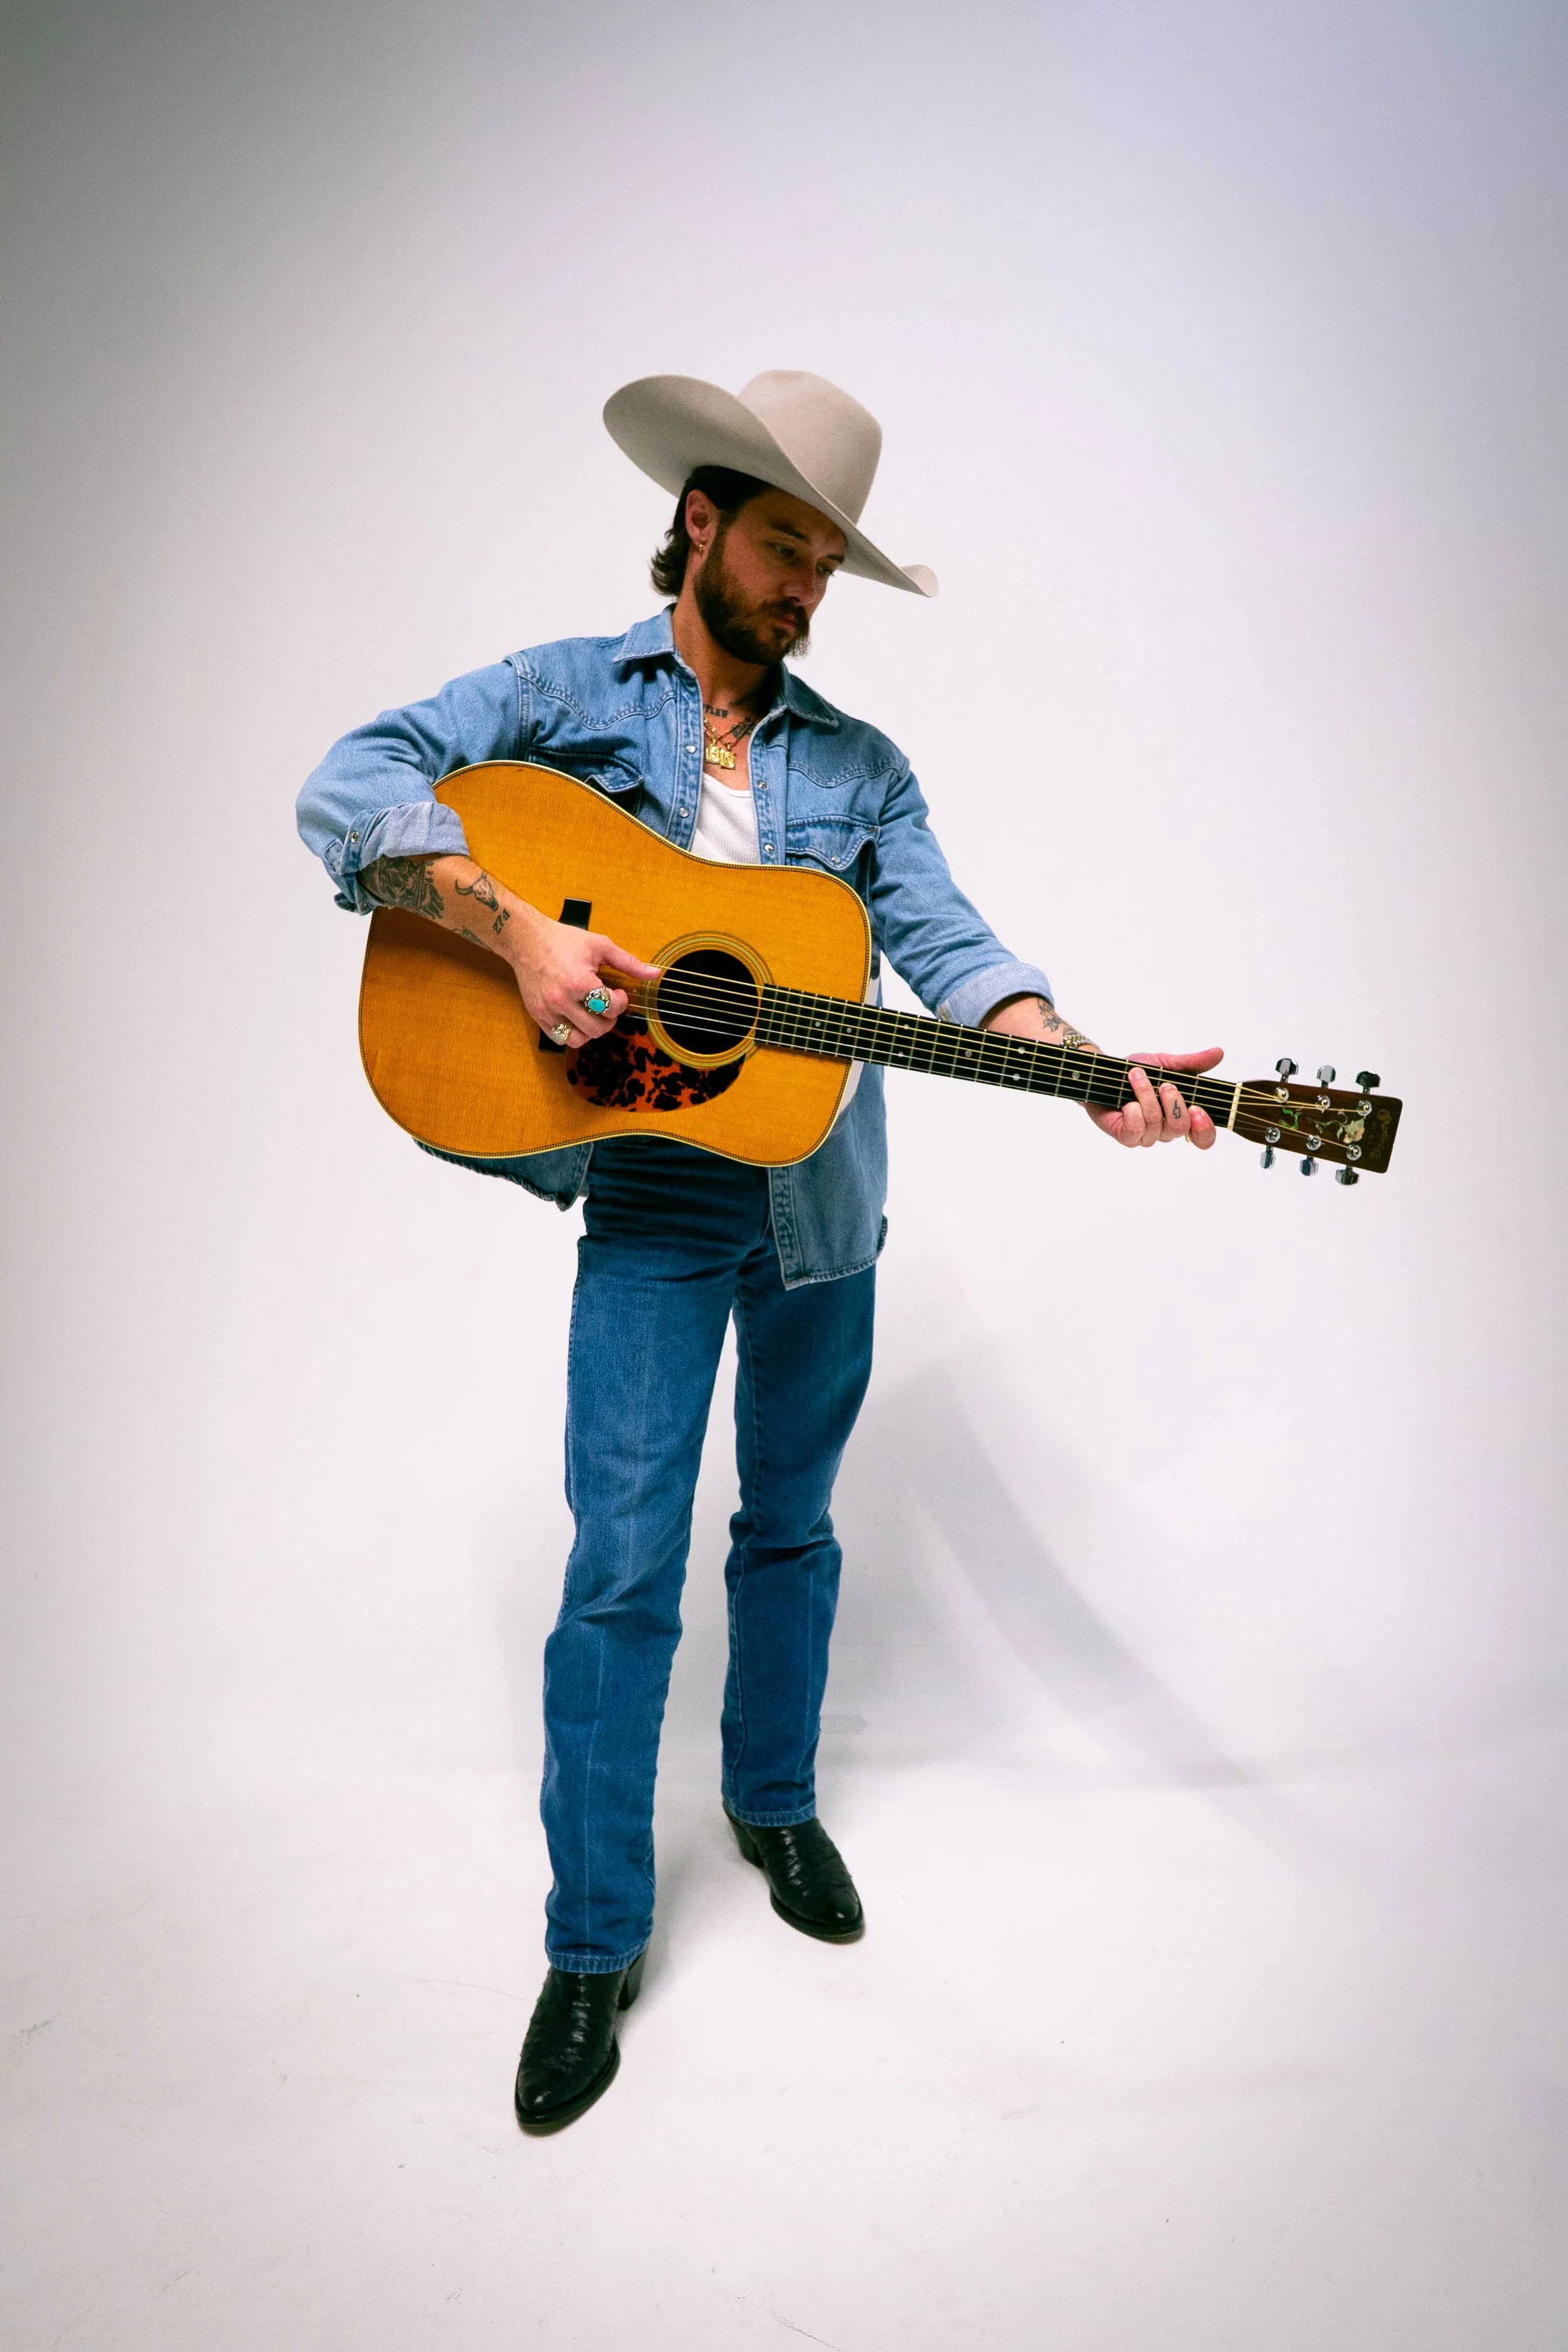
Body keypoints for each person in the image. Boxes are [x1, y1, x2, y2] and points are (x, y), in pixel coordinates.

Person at [297, 369, 1222, 2134]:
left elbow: (951, 946)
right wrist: (508, 936)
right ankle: (591, 1941)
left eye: (828, 562)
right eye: (785, 544)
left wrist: (1082, 1061)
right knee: (623, 1561)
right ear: (702, 521)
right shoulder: (564, 695)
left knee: (788, 1526)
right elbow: (348, 787)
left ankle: (772, 1799)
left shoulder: (859, 768)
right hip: (649, 1189)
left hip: (816, 1201)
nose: (804, 585)